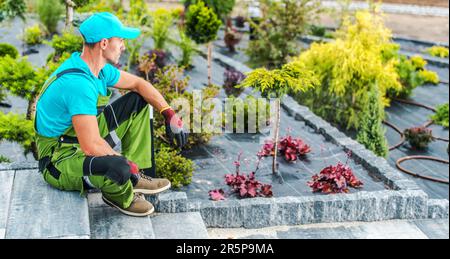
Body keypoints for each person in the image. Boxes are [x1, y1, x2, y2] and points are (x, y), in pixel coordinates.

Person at [34, 12, 188, 217]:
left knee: (138, 101)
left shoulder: (98, 70)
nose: (124, 46)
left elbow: (139, 84)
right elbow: (91, 146)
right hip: (59, 161)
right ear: (104, 43)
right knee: (113, 167)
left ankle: (138, 176)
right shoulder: (77, 84)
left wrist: (169, 113)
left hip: (78, 139)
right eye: (121, 40)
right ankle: (120, 193)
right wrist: (123, 163)